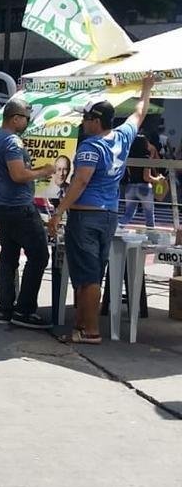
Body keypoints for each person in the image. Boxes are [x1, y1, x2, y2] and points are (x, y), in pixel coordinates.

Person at [49, 77, 154, 344]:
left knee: (88, 275)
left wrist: (59, 210)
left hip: (85, 215)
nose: (82, 123)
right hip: (109, 214)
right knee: (92, 272)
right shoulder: (122, 136)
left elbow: (81, 181)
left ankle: (91, 331)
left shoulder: (90, 146)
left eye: (85, 118)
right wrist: (147, 87)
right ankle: (81, 325)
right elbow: (139, 112)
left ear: (96, 120)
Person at [0, 98, 55, 329]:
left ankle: (5, 309)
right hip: (18, 206)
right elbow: (17, 175)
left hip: (1, 206)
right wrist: (43, 171)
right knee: (39, 255)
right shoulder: (13, 142)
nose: (27, 122)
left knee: (9, 256)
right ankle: (24, 310)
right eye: (25, 118)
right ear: (15, 118)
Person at [119, 133, 164, 228]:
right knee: (149, 215)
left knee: (128, 214)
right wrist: (158, 179)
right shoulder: (146, 158)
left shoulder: (129, 158)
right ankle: (151, 237)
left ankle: (117, 228)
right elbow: (146, 177)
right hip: (144, 187)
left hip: (130, 187)